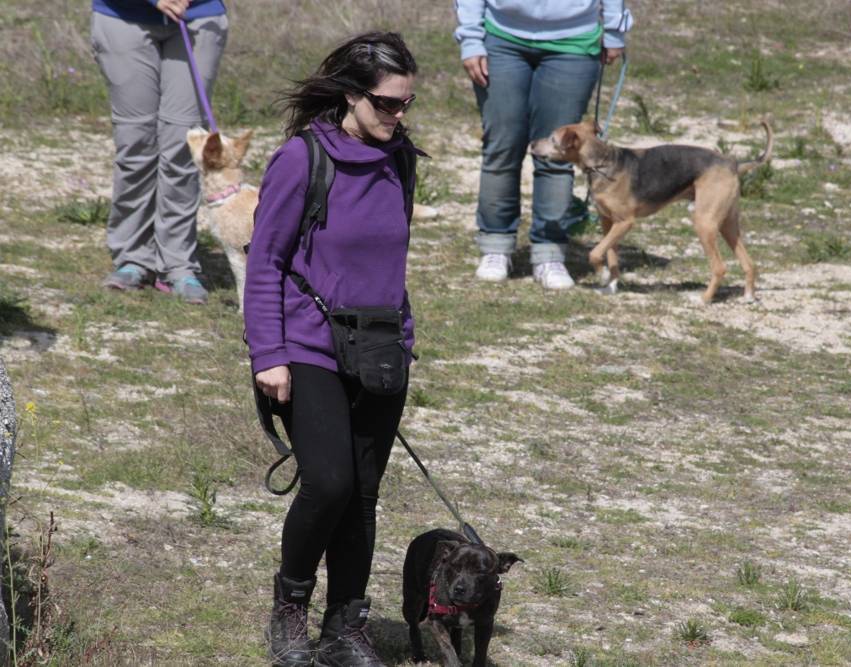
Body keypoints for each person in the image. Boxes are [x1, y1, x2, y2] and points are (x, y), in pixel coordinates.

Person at [244, 32, 422, 667]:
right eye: (386, 104)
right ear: (351, 95)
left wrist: (401, 338)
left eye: (406, 104)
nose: (398, 116)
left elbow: (389, 261)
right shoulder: (301, 159)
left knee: (365, 494)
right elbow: (264, 261)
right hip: (307, 345)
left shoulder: (401, 161)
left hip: (378, 350)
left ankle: (346, 625)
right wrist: (269, 352)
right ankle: (289, 610)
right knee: (329, 483)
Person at [455, 0, 634, 289]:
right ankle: (495, 246)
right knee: (502, 146)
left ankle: (549, 252)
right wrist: (471, 39)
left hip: (574, 42)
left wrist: (614, 30)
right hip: (501, 38)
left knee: (559, 155)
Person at [91, 0, 228, 304]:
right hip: (123, 16)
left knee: (184, 143)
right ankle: (133, 258)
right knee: (136, 143)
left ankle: (178, 265)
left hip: (198, 19)